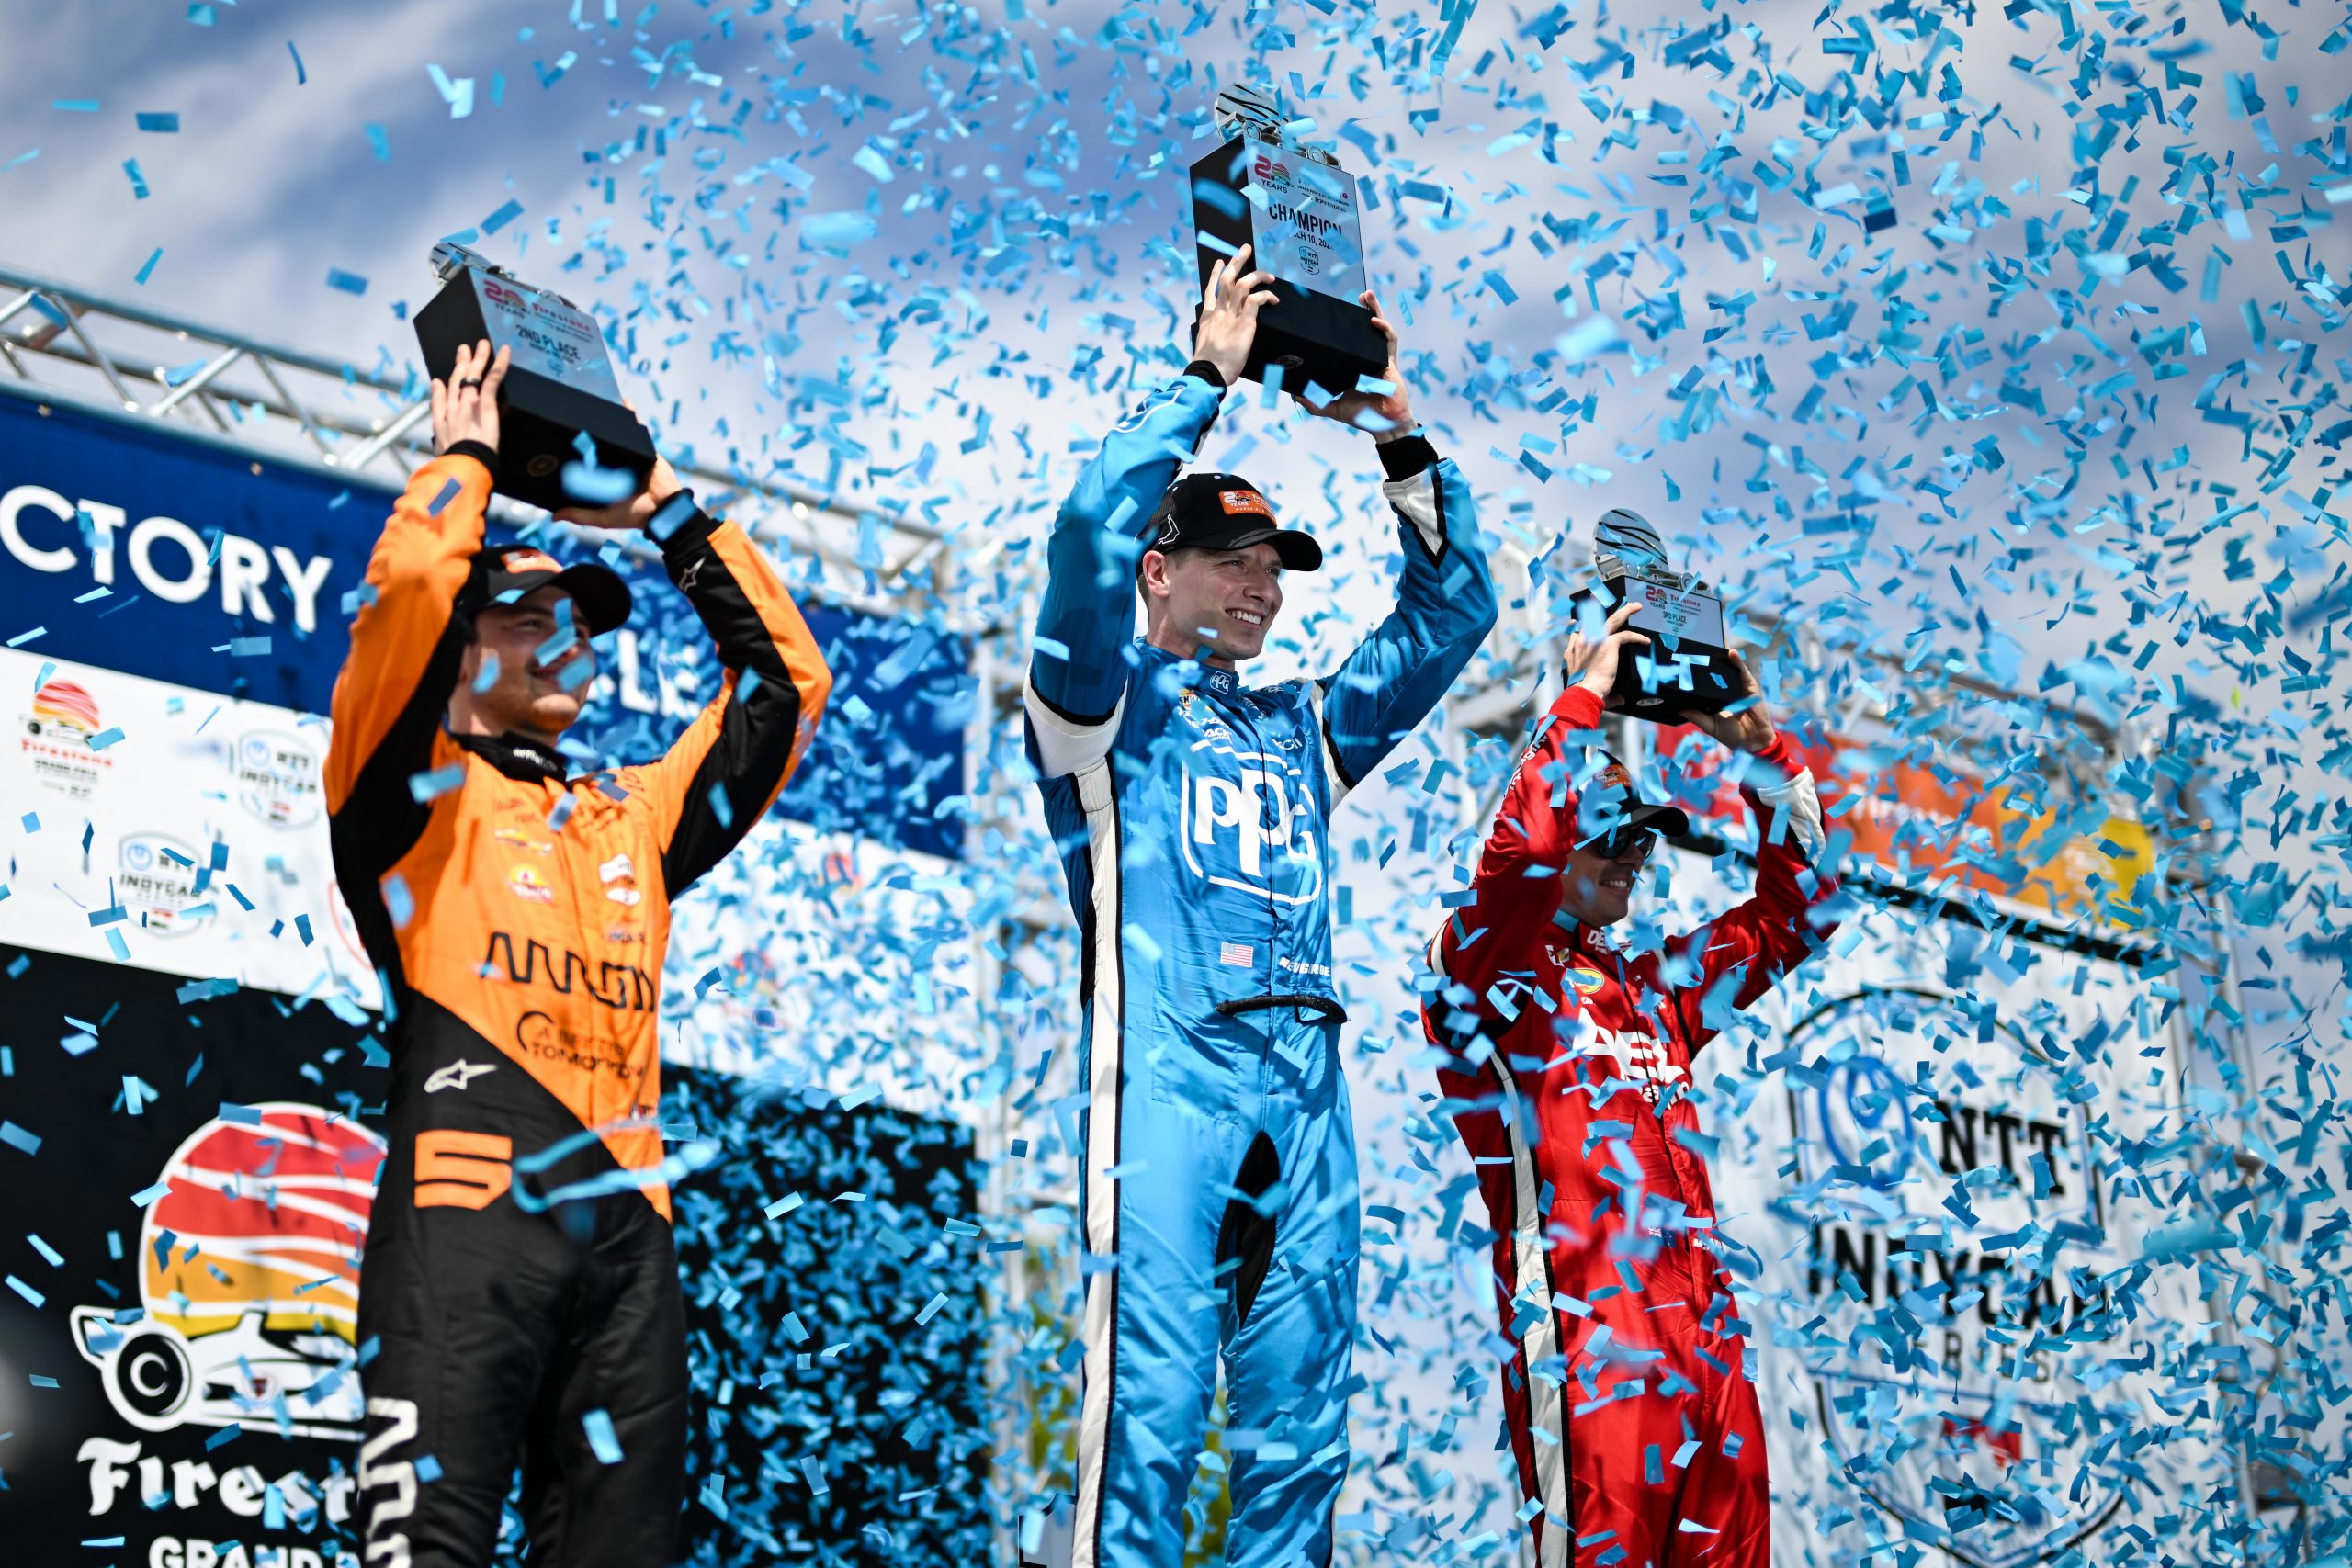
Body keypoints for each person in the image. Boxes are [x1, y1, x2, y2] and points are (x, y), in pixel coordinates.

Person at [1024, 244, 1498, 1568]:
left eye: (1276, 560)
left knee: (1300, 1446)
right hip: (1169, 1086)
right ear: (1158, 570)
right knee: (1154, 1424)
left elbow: (1456, 612)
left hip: (1309, 1098)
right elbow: (1081, 532)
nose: (1262, 581)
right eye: (1231, 555)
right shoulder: (1094, 708)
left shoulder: (1305, 727)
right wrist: (1206, 376)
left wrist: (1399, 433)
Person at [326, 341, 832, 1568]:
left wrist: (668, 510)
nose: (570, 637)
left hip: (628, 1238)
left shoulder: (631, 816)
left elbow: (786, 681)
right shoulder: (404, 791)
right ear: (460, 650)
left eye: (583, 618)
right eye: (530, 614)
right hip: (467, 1213)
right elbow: (403, 602)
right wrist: (466, 461)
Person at [1423, 597, 1843, 1568]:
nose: (1630, 857)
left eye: (1642, 839)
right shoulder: (1486, 973)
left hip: (1708, 1340)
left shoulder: (1653, 993)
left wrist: (1761, 751)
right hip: (1591, 1346)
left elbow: (1803, 908)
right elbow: (1523, 855)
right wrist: (1587, 696)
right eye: (1607, 835)